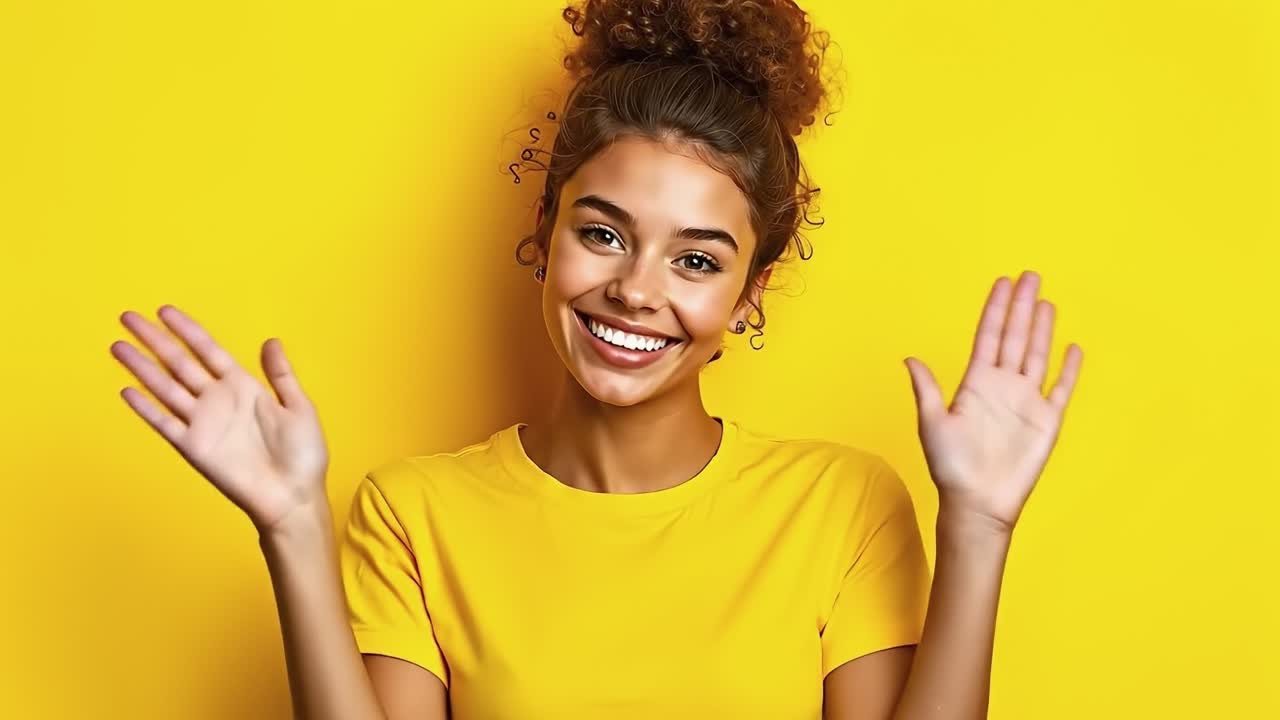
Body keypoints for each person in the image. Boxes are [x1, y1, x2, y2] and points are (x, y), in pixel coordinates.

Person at [109, 0, 1084, 718]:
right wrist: (289, 525)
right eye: (604, 233)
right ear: (544, 232)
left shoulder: (840, 505)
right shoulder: (413, 514)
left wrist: (980, 527)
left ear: (747, 293)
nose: (635, 289)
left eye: (696, 259)